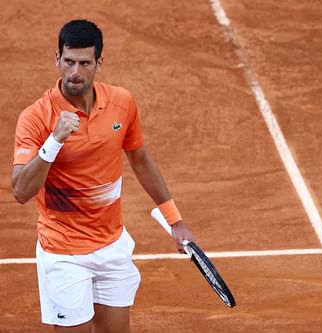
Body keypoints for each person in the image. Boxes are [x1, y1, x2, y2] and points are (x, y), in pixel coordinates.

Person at [11, 19, 196, 333]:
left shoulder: (122, 103)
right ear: (57, 59)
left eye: (84, 63)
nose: (75, 73)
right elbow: (20, 191)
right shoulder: (35, 118)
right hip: (63, 253)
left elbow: (140, 159)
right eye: (68, 62)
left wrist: (174, 220)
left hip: (111, 246)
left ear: (99, 63)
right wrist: (53, 141)